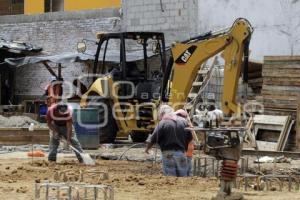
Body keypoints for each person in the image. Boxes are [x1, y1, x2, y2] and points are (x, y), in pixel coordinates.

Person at [145, 105, 192, 177]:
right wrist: (184, 149)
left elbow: (153, 138)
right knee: (183, 177)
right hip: (181, 154)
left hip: (168, 154)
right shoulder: (184, 122)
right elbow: (190, 138)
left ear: (162, 113)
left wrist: (147, 149)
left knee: (170, 178)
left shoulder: (163, 123)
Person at [175, 109, 196, 176]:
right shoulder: (187, 124)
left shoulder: (183, 124)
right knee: (188, 167)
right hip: (189, 149)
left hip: (186, 149)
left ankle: (186, 179)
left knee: (183, 168)